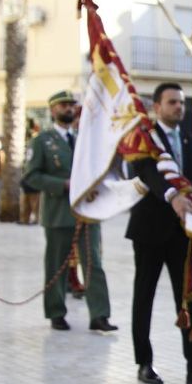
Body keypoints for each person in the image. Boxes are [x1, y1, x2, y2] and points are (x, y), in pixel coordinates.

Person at [127, 82, 192, 384]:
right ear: (157, 107)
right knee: (145, 296)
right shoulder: (144, 141)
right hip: (149, 231)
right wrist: (171, 195)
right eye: (171, 102)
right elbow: (145, 174)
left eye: (181, 102)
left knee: (188, 299)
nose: (179, 107)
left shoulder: (191, 144)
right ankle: (144, 363)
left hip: (184, 236)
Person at [23, 91, 114, 333]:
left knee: (94, 263)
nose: (69, 109)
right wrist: (63, 185)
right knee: (57, 265)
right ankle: (56, 312)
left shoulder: (86, 139)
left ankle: (100, 315)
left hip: (87, 211)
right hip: (58, 212)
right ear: (52, 110)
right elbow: (31, 176)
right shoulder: (42, 141)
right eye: (64, 105)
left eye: (72, 105)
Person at [20, 118, 42, 224]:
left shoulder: (38, 141)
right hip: (26, 177)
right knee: (26, 202)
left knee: (35, 202)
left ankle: (37, 219)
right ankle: (25, 219)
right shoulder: (28, 142)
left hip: (34, 179)